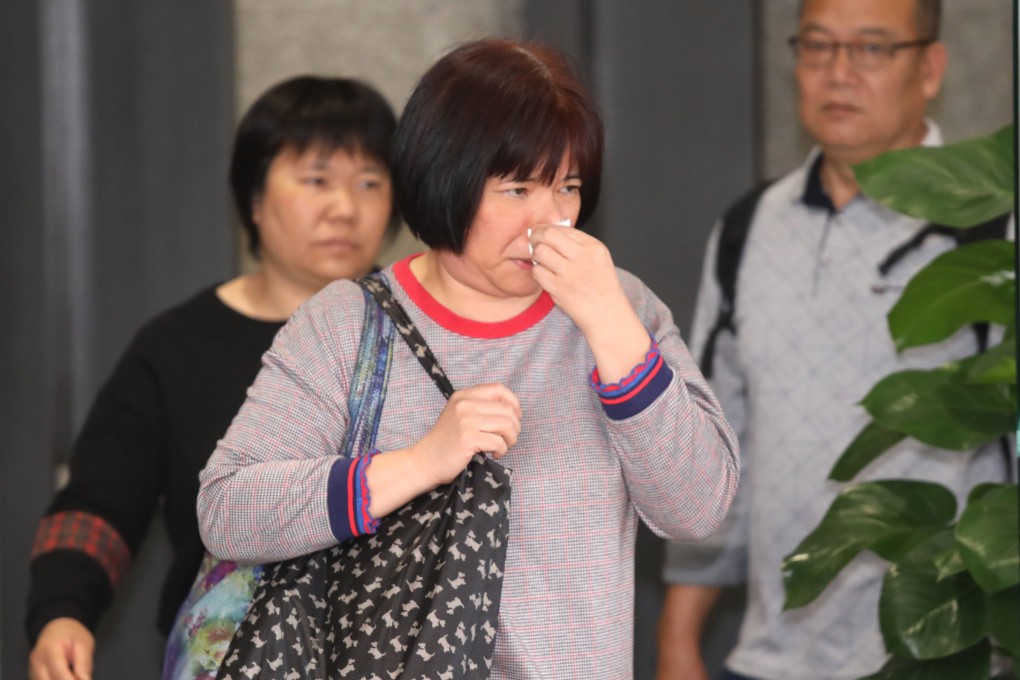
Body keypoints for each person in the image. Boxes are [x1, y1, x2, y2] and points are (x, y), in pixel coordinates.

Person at [194, 38, 739, 679]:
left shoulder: (625, 311)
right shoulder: (347, 323)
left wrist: (612, 327)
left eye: (568, 187)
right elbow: (228, 511)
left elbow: (698, 509)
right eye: (517, 190)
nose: (551, 222)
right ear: (444, 177)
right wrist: (418, 464)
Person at [657, 1, 1010, 679]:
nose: (838, 73)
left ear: (930, 66)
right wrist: (677, 641)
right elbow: (718, 440)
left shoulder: (992, 231)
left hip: (944, 656)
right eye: (817, 46)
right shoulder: (748, 227)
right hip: (768, 657)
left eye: (871, 49)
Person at [26, 75, 399, 680]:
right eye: (316, 180)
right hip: (228, 655)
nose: (345, 208)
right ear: (253, 197)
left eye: (369, 183)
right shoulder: (176, 346)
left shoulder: (417, 333)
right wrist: (62, 612)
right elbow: (98, 505)